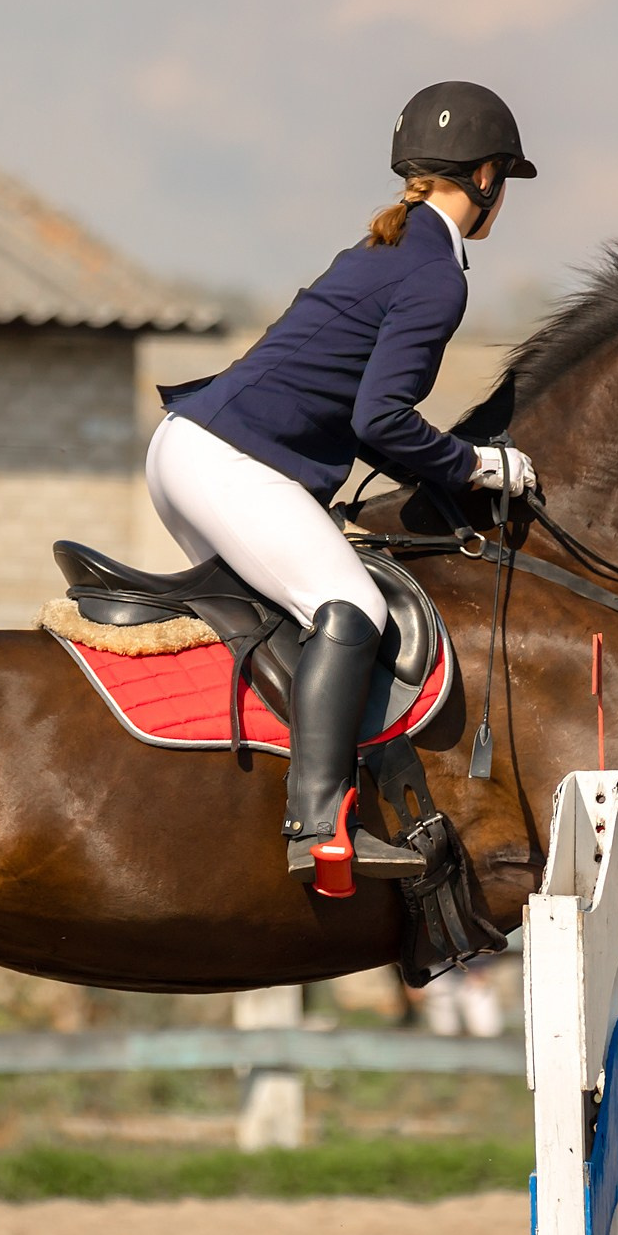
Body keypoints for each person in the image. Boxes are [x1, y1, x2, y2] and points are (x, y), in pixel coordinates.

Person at [148, 81, 541, 898]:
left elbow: (363, 419)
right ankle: (319, 824)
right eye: (502, 178)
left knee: (283, 621)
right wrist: (476, 466)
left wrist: (438, 467)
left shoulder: (383, 250)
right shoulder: (436, 273)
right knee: (351, 606)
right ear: (485, 176)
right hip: (229, 460)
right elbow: (380, 418)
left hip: (188, 450)